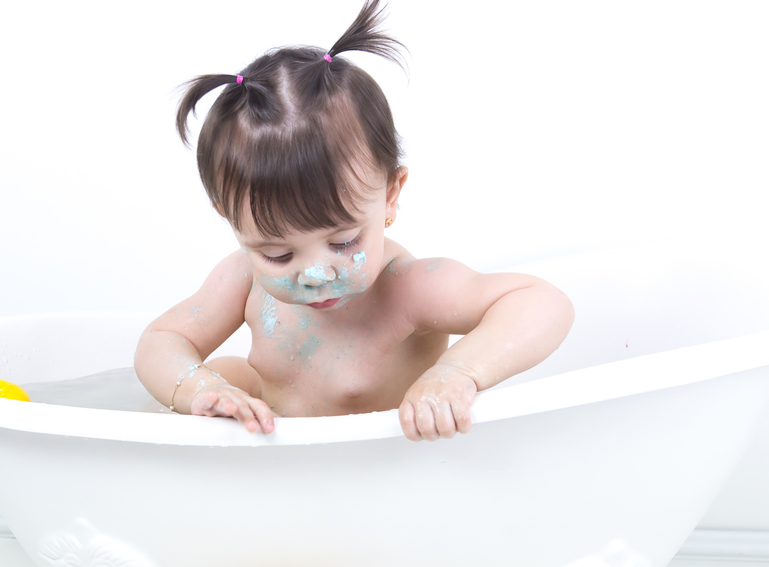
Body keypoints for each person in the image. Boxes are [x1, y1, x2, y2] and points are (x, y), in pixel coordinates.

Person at [135, 0, 574, 442]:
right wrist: (198, 388)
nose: (315, 273)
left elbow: (542, 302)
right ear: (229, 219)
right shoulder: (242, 278)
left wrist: (458, 372)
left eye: (343, 242)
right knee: (206, 384)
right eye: (278, 254)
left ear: (390, 195)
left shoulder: (407, 289)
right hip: (279, 452)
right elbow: (161, 339)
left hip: (374, 465)